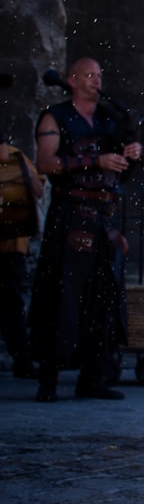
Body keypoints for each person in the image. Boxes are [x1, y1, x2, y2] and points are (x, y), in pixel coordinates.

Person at [29, 57, 144, 402]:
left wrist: (134, 152)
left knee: (102, 302)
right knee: (62, 297)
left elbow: (123, 171)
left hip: (104, 219)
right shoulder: (57, 116)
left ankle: (93, 377)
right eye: (89, 76)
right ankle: (49, 379)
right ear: (72, 80)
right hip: (70, 216)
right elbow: (46, 163)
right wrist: (92, 160)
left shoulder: (109, 120)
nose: (96, 81)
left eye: (99, 75)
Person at [0, 139, 44, 378]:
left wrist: (23, 171)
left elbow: (38, 191)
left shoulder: (17, 155)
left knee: (12, 304)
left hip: (12, 244)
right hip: (11, 244)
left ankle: (22, 361)